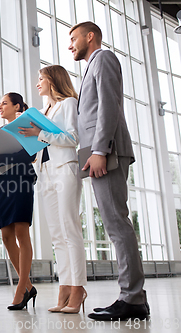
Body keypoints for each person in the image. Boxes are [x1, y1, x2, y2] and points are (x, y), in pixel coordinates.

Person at [69, 21, 148, 321]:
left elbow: (109, 106)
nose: (70, 45)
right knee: (115, 223)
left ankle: (132, 297)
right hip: (99, 151)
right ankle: (135, 297)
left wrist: (100, 149)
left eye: (74, 38)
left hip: (107, 150)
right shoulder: (91, 66)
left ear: (91, 37)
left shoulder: (103, 58)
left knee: (116, 224)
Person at [19, 65, 87, 313]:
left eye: (41, 79)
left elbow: (72, 138)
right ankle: (65, 286)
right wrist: (32, 141)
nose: (38, 84)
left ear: (53, 80)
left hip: (65, 168)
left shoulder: (68, 103)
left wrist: (41, 133)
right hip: (46, 172)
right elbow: (44, 141)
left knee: (70, 230)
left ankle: (78, 287)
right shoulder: (43, 110)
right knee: (57, 235)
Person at [0, 93, 36, 310]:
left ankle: (20, 289)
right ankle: (29, 287)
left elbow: (30, 155)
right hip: (4, 182)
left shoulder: (26, 125)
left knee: (22, 233)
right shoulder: (0, 133)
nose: (0, 107)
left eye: (4, 103)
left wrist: (0, 158)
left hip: (22, 180)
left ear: (17, 106)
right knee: (6, 236)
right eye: (0, 103)